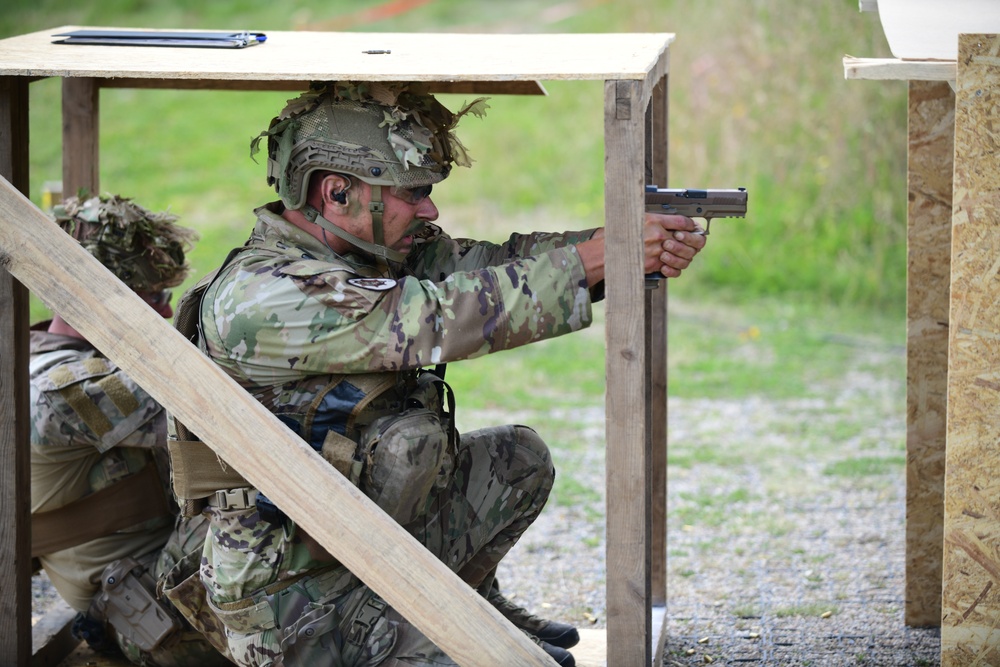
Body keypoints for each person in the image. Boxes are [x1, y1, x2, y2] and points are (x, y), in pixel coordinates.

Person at [170, 81, 705, 667]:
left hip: (373, 550)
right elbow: (432, 317)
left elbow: (492, 266)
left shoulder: (362, 253)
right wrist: (603, 257)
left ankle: (465, 602)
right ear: (336, 191)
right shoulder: (265, 297)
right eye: (412, 191)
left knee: (516, 460)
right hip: (299, 601)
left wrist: (619, 248)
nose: (429, 209)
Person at [29, 193, 231, 666]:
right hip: (156, 618)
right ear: (94, 296)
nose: (163, 311)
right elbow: (217, 413)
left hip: (172, 588)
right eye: (153, 297)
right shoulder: (63, 393)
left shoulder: (77, 365)